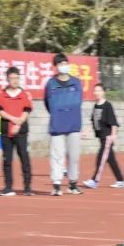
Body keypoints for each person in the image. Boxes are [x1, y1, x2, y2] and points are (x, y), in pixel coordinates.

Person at [44, 53, 84, 196]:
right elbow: (47, 103)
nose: (63, 66)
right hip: (57, 125)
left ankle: (73, 184)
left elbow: (79, 102)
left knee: (74, 156)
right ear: (55, 67)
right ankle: (56, 185)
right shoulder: (50, 84)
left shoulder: (77, 82)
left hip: (73, 124)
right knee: (57, 156)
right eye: (60, 64)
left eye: (65, 63)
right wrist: (57, 113)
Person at [0, 67, 33, 196]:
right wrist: (12, 119)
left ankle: (27, 187)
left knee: (24, 158)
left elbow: (27, 110)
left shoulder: (24, 94)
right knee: (7, 160)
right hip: (6, 132)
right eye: (12, 78)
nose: (14, 81)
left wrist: (19, 122)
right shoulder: (1, 94)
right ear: (7, 79)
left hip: (21, 132)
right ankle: (8, 187)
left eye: (17, 78)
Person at [84, 83, 124, 189]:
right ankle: (121, 180)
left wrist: (113, 135)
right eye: (95, 90)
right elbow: (93, 121)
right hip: (101, 137)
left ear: (103, 92)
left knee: (101, 158)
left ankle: (94, 180)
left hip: (107, 137)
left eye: (99, 90)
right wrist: (86, 131)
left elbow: (113, 122)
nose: (96, 93)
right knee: (111, 160)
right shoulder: (96, 105)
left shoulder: (107, 106)